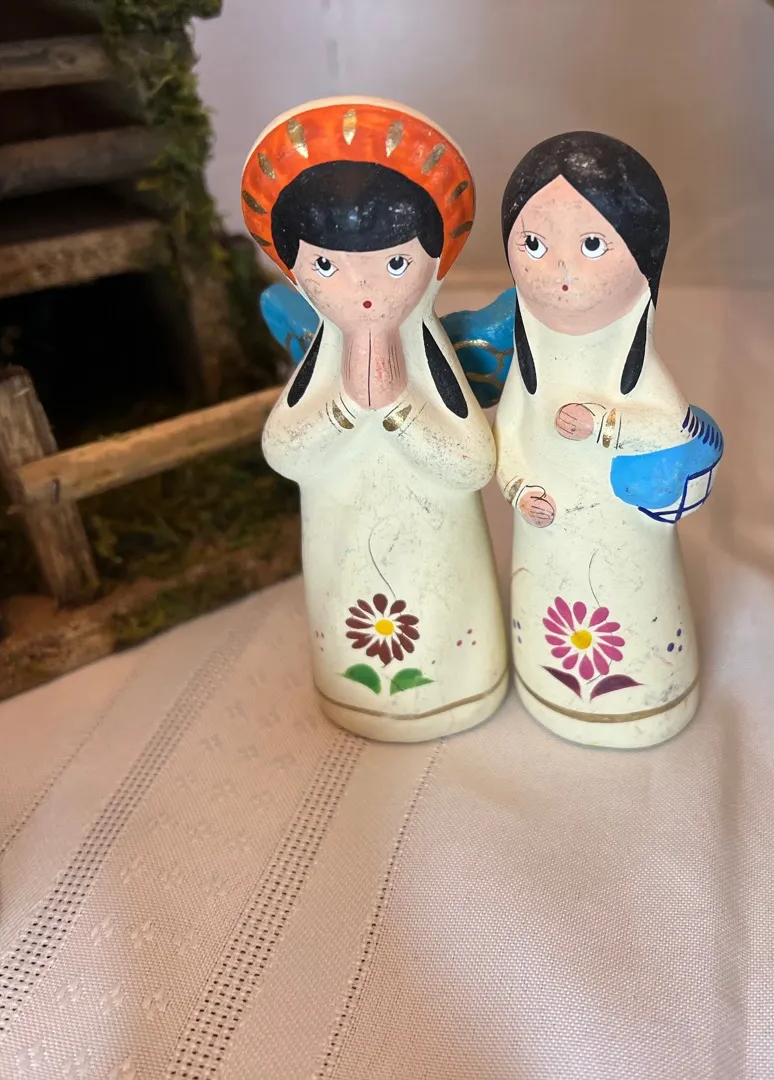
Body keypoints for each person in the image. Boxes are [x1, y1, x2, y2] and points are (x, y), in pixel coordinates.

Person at [240, 98, 506, 742]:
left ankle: (459, 687)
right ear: (296, 271)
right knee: (350, 605)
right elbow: (283, 450)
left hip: (434, 535)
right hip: (342, 532)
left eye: (393, 263)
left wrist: (398, 410)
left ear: (434, 261)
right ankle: (357, 694)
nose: (362, 289)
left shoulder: (427, 354)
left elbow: (473, 463)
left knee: (439, 613)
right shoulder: (323, 356)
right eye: (326, 265)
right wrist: (341, 409)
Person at [450, 130, 722, 748]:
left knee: (629, 600)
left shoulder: (635, 366)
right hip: (548, 525)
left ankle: (646, 700)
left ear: (644, 257)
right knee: (550, 597)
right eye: (535, 244)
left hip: (620, 527)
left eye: (593, 244)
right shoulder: (531, 357)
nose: (560, 270)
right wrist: (519, 488)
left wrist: (605, 425)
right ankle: (547, 688)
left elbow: (670, 424)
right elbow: (509, 429)